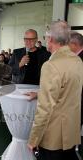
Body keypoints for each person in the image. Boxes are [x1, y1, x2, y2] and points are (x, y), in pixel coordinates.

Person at [27, 21, 83, 160]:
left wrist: (34, 139)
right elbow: (66, 91)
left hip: (53, 137)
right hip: (70, 131)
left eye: (46, 37)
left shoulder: (50, 66)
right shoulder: (77, 61)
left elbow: (45, 108)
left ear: (51, 39)